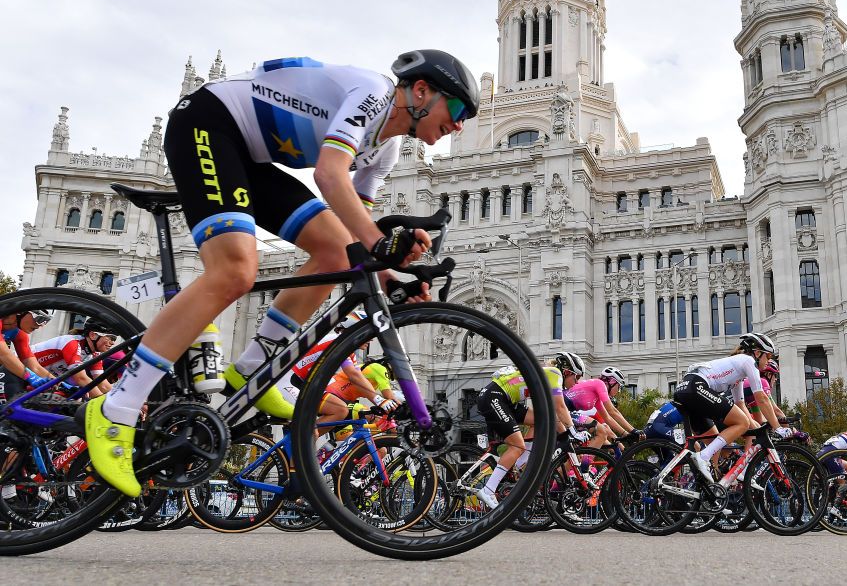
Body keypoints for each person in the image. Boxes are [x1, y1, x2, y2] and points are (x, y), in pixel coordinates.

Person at [86, 50, 479, 496]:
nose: (459, 125)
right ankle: (117, 407)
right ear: (422, 92)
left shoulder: (385, 150)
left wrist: (386, 274)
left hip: (249, 156)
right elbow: (330, 176)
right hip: (208, 124)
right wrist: (378, 243)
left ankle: (253, 370)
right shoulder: (374, 93)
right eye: (459, 109)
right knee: (236, 269)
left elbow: (352, 237)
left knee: (333, 252)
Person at [673, 332, 790, 484]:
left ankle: (710, 493)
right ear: (757, 353)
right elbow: (761, 398)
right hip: (696, 387)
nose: (769, 361)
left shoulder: (738, 372)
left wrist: (758, 428)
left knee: (715, 443)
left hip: (685, 389)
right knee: (741, 423)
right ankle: (702, 457)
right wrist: (778, 428)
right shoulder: (748, 361)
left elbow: (740, 404)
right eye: (768, 356)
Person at [475, 360, 578, 509]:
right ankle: (488, 490)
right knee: (517, 446)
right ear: (567, 372)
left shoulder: (546, 379)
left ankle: (518, 465)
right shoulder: (555, 374)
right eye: (576, 377)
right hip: (495, 397)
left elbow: (551, 416)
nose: (577, 382)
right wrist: (573, 431)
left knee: (543, 420)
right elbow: (560, 407)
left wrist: (565, 436)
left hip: (505, 400)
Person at [30, 318, 115, 399]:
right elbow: (81, 378)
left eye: (115, 339)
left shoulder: (95, 354)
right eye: (110, 337)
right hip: (25, 369)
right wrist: (103, 403)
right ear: (92, 335)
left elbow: (102, 384)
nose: (113, 342)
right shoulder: (72, 343)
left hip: (41, 377)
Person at [564, 366, 641, 449]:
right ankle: (585, 462)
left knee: (573, 457)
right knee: (602, 432)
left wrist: (626, 434)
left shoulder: (596, 398)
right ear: (612, 382)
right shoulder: (599, 384)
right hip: (562, 411)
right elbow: (612, 411)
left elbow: (608, 418)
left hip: (565, 413)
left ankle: (583, 461)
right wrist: (633, 430)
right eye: (619, 387)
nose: (618, 391)